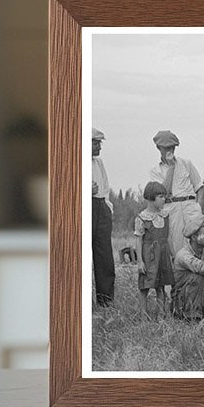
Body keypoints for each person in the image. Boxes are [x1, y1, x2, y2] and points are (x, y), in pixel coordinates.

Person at [149, 130, 204, 256]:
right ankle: (181, 274)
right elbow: (163, 192)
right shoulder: (155, 171)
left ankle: (202, 272)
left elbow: (199, 187)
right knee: (178, 248)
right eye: (167, 147)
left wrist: (198, 208)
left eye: (173, 147)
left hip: (190, 207)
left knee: (199, 243)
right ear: (159, 148)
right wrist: (172, 167)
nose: (171, 150)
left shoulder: (187, 163)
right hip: (171, 209)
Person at [134, 180, 173, 317]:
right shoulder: (142, 218)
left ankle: (161, 314)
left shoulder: (165, 216)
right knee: (144, 286)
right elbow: (139, 240)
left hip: (162, 255)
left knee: (160, 286)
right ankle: (143, 316)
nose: (164, 199)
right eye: (161, 196)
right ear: (151, 197)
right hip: (149, 257)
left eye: (164, 196)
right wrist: (140, 261)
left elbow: (167, 238)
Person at [171, 213, 204, 321]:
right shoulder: (183, 255)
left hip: (198, 297)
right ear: (194, 237)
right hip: (181, 302)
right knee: (198, 276)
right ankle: (192, 316)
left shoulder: (202, 250)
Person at [91, 128, 115, 306]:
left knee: (104, 256)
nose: (99, 146)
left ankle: (105, 301)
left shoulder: (98, 163)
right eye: (95, 142)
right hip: (85, 207)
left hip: (101, 208)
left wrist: (107, 207)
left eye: (100, 142)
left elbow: (105, 187)